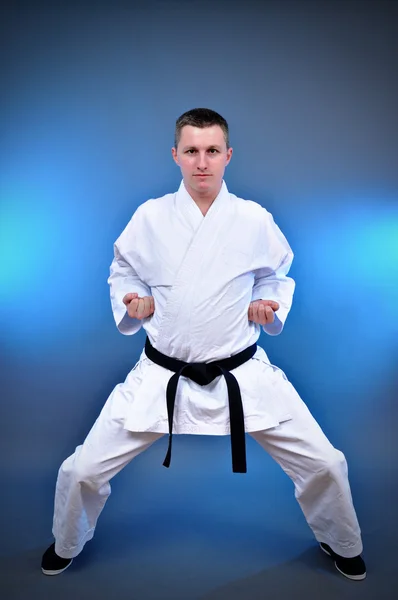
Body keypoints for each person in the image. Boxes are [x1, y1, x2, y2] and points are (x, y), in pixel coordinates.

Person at [41, 108, 366, 581]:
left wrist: (266, 303)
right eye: (191, 151)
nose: (202, 162)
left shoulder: (253, 219)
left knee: (328, 463)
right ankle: (67, 540)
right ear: (175, 155)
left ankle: (341, 540)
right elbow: (124, 270)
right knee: (82, 470)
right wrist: (132, 299)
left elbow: (276, 276)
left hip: (242, 373)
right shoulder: (150, 217)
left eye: (212, 151)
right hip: (161, 375)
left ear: (228, 156)